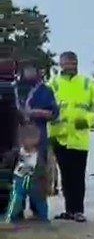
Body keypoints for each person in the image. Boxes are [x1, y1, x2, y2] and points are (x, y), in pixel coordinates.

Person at [48, 51, 94, 222]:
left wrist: (87, 120)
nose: (71, 66)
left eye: (73, 63)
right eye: (67, 63)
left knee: (77, 176)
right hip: (60, 136)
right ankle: (69, 210)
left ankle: (78, 210)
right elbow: (45, 104)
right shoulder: (53, 83)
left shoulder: (87, 83)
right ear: (61, 64)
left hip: (79, 138)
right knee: (65, 176)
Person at [19, 64, 58, 217]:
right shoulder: (16, 88)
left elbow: (53, 113)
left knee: (38, 175)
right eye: (25, 70)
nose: (28, 73)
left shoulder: (45, 91)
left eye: (31, 70)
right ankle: (17, 210)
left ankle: (38, 211)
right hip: (18, 137)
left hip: (38, 138)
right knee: (18, 175)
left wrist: (35, 112)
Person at [5, 122, 47, 223]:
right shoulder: (17, 152)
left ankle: (43, 218)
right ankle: (10, 218)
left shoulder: (40, 153)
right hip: (19, 179)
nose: (31, 141)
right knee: (16, 199)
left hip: (35, 180)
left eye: (34, 138)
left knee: (40, 200)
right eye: (28, 138)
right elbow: (8, 162)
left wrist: (46, 181)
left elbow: (46, 168)